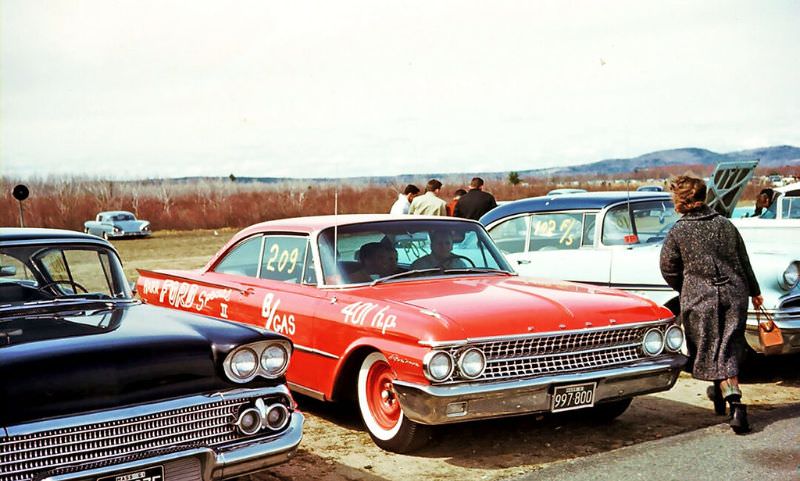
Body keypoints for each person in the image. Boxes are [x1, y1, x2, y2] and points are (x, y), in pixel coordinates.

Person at [659, 175, 762, 435]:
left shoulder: (679, 231)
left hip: (699, 298)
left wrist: (686, 286)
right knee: (726, 346)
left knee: (711, 348)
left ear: (680, 201)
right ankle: (722, 394)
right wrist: (755, 291)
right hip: (733, 295)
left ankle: (735, 402)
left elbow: (668, 267)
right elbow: (743, 260)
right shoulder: (725, 225)